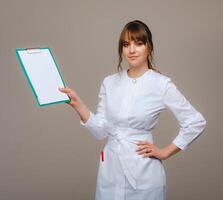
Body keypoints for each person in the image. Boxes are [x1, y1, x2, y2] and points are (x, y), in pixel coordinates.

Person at [59, 20, 207, 200]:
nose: (132, 50)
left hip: (144, 171)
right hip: (111, 170)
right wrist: (77, 104)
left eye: (139, 43)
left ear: (149, 47)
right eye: (126, 44)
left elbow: (195, 121)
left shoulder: (161, 84)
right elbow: (100, 131)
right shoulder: (109, 82)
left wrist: (165, 152)